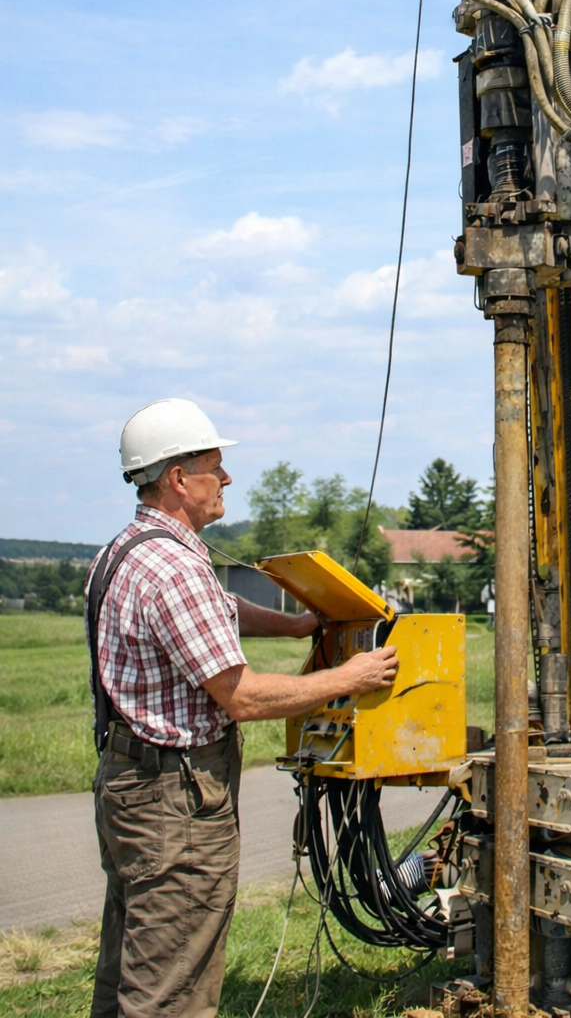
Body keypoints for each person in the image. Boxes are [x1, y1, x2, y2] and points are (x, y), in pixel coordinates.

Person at [87, 398, 398, 1018]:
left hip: (127, 784)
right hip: (176, 801)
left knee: (130, 964)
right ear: (178, 478)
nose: (226, 480)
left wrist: (295, 626)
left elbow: (216, 615)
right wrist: (349, 674)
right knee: (173, 983)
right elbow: (243, 696)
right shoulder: (177, 567)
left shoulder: (127, 551)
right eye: (215, 467)